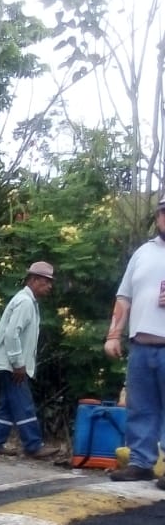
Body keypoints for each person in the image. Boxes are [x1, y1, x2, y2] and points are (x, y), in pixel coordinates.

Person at [104, 195, 165, 488]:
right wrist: (113, 334)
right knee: (140, 407)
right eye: (163, 212)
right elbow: (124, 296)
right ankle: (141, 463)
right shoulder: (143, 252)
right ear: (157, 217)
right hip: (140, 347)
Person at [0, 261, 60, 460]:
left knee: (8, 406)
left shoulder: (28, 301)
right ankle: (33, 445)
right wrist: (18, 363)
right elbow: (11, 334)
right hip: (11, 364)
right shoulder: (25, 302)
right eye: (46, 281)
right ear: (33, 280)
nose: (49, 286)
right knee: (24, 404)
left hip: (8, 362)